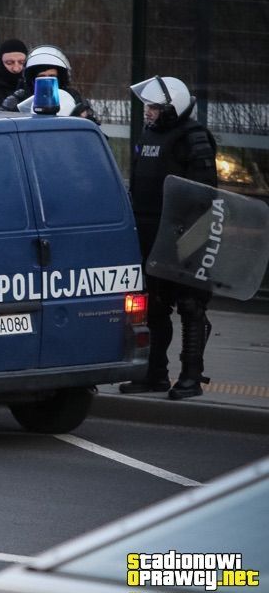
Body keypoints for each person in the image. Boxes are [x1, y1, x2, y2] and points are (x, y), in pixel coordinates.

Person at [121, 76, 218, 400]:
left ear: (171, 107)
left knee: (191, 305)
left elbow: (203, 194)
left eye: (153, 107)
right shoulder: (149, 135)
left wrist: (186, 238)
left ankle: (190, 376)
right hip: (149, 233)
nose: (147, 112)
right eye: (147, 106)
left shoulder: (194, 137)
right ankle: (154, 374)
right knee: (154, 308)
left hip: (185, 235)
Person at [0, 44, 98, 122]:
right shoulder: (19, 99)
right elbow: (1, 125)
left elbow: (92, 130)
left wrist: (80, 117)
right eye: (41, 77)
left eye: (52, 77)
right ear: (32, 79)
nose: (47, 81)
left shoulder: (73, 97)